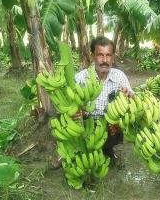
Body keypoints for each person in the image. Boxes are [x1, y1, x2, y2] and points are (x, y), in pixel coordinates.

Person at [52, 36, 133, 168]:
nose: (105, 60)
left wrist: (129, 96)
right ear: (92, 56)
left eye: (108, 55)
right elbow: (67, 104)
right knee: (68, 121)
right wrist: (74, 112)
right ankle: (69, 151)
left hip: (108, 121)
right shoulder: (80, 78)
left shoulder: (119, 76)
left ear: (113, 57)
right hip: (85, 120)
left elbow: (131, 97)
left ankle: (108, 150)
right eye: (100, 55)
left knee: (118, 124)